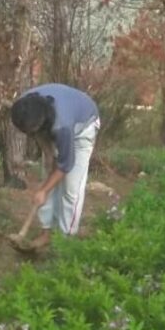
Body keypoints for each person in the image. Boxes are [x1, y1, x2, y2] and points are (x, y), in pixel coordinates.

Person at [9, 83, 100, 249]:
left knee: (71, 187)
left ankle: (66, 239)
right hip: (50, 125)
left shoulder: (62, 125)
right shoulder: (24, 107)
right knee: (48, 177)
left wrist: (43, 190)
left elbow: (66, 165)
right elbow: (35, 133)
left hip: (83, 128)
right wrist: (49, 155)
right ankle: (46, 233)